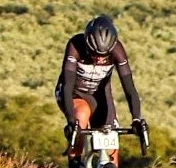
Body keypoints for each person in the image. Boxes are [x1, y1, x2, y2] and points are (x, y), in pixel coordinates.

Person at [58, 14, 147, 159]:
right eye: (94, 54)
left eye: (104, 55)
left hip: (100, 96)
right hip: (74, 93)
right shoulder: (75, 45)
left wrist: (136, 118)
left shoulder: (118, 50)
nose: (99, 59)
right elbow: (67, 86)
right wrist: (70, 120)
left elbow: (129, 88)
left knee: (112, 150)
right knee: (80, 117)